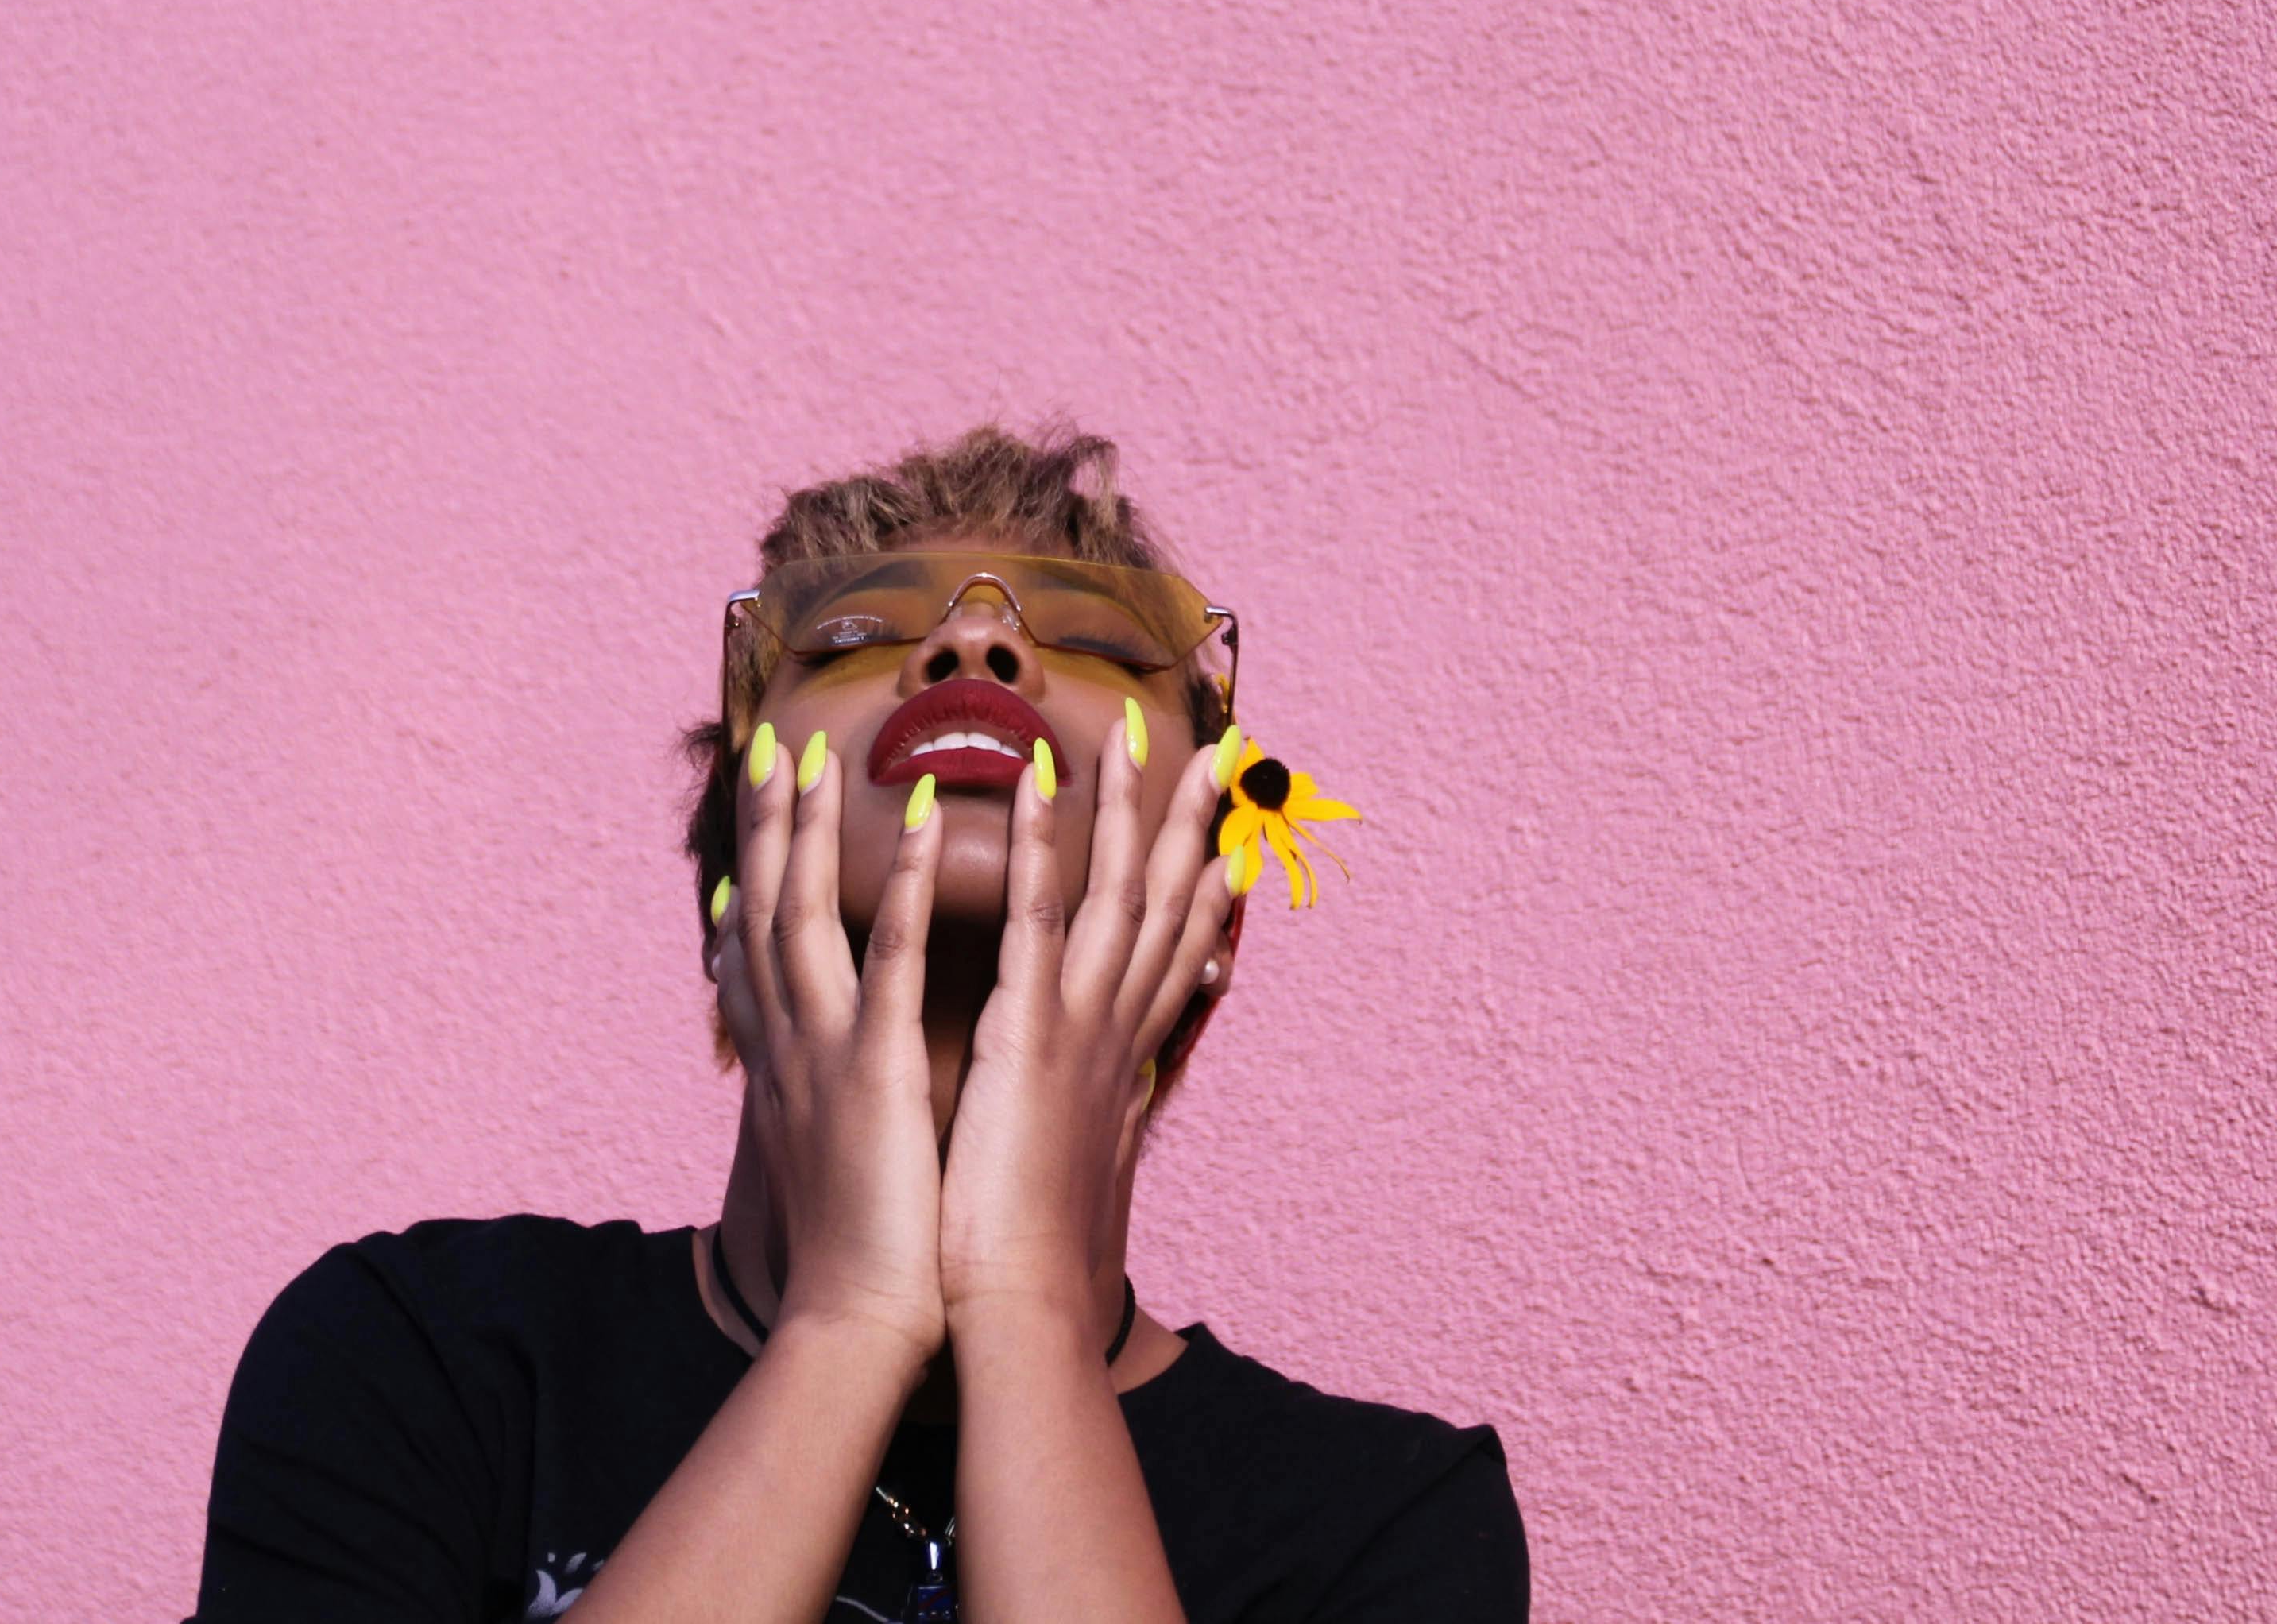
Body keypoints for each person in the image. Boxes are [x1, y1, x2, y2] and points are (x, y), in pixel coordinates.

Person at [188, 427, 1529, 1622]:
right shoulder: (425, 1365)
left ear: (1217, 922)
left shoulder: (1386, 1526)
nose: (975, 644)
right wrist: (849, 1322)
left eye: (1103, 642)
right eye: (850, 638)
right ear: (725, 900)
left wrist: (1023, 1313)